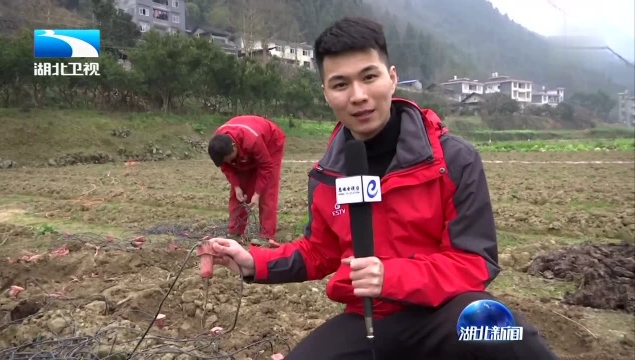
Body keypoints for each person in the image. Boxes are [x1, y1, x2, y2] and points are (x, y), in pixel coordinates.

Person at [205, 17, 560, 360]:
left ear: (391, 79)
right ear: (326, 93)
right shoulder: (328, 175)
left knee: (503, 331)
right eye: (341, 84)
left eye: (369, 77)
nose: (358, 96)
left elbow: (474, 262)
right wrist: (254, 261)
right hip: (369, 319)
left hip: (444, 314)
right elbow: (319, 252)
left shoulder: (454, 159)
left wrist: (390, 276)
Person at [207, 115, 285, 244]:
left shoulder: (252, 140)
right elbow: (226, 167)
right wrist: (236, 186)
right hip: (246, 146)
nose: (229, 162)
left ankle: (266, 236)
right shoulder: (218, 145)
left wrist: (257, 194)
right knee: (239, 193)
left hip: (271, 143)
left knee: (267, 190)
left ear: (234, 147)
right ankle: (235, 232)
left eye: (229, 159)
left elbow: (266, 166)